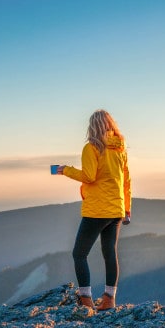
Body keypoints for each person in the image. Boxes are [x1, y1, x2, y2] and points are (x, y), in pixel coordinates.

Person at [56, 109, 131, 311]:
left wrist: (65, 170)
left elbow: (89, 176)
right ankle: (109, 299)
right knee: (109, 253)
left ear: (92, 126)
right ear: (110, 125)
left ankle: (86, 299)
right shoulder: (120, 149)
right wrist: (127, 209)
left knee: (79, 254)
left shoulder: (92, 148)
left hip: (96, 211)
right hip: (116, 209)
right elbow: (126, 181)